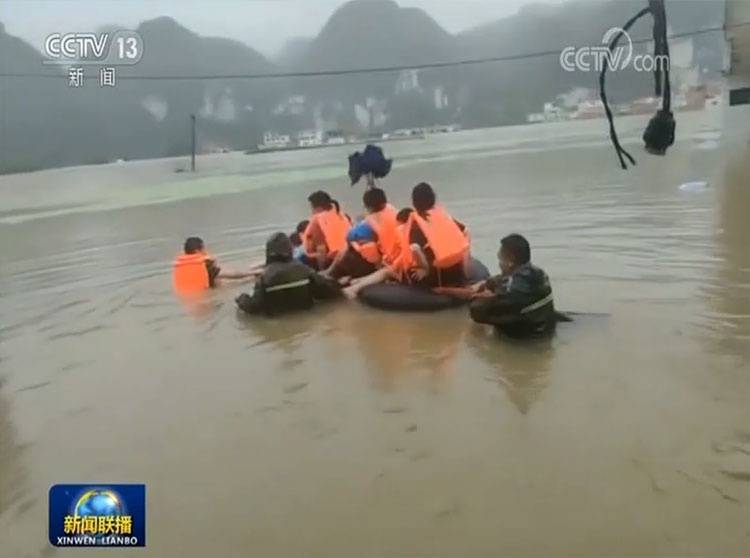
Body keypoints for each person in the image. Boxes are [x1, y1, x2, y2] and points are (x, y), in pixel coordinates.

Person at [437, 234, 556, 338]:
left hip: (523, 340)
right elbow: (501, 281)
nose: (499, 264)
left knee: (474, 323)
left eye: (500, 259)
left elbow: (476, 305)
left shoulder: (509, 289)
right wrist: (485, 285)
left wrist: (444, 291)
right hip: (546, 329)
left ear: (510, 260)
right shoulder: (540, 274)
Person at [236, 232, 342, 316]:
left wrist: (242, 299)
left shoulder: (264, 277)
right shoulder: (304, 270)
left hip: (276, 321)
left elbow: (254, 307)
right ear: (290, 249)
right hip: (305, 317)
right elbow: (327, 292)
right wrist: (339, 284)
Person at [324, 187, 399, 280]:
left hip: (384, 262)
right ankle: (333, 273)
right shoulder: (393, 211)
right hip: (396, 257)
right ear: (385, 201)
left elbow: (350, 236)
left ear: (367, 206)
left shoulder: (369, 223)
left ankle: (331, 272)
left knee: (350, 247)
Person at [407, 182, 470, 287]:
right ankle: (464, 270)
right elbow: (466, 231)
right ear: (433, 198)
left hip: (438, 276)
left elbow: (414, 248)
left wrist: (425, 269)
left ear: (414, 202)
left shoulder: (417, 223)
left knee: (409, 273)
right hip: (457, 272)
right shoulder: (443, 215)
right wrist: (465, 261)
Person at [173, 237, 258, 295]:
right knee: (225, 284)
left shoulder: (180, 265)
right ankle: (252, 271)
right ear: (197, 250)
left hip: (186, 298)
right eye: (203, 248)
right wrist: (254, 273)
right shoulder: (205, 264)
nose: (205, 251)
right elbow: (232, 275)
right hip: (205, 301)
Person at [301, 191, 351, 270]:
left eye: (312, 208)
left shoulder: (317, 222)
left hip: (333, 263)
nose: (312, 211)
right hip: (349, 256)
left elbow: (321, 250)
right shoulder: (343, 216)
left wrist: (323, 272)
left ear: (318, 208)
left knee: (302, 257)